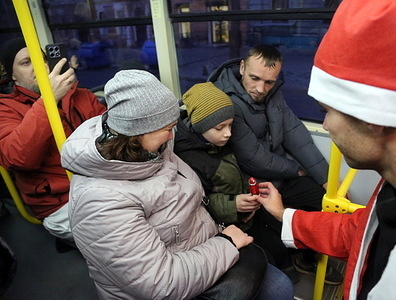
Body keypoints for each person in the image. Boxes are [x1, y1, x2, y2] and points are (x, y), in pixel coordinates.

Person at [256, 0, 396, 299]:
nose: (327, 126)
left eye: (328, 111)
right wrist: (285, 216)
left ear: (374, 118)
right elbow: (358, 232)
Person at [60, 70, 294, 300]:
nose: (172, 137)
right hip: (174, 280)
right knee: (278, 289)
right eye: (165, 129)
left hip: (203, 246)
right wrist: (226, 244)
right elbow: (160, 283)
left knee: (279, 283)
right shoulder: (100, 202)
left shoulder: (155, 150)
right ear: (136, 132)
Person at [208, 44, 342, 284]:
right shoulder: (226, 101)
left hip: (281, 177)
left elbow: (296, 135)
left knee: (322, 202)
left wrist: (326, 180)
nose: (261, 89)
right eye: (254, 78)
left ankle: (305, 257)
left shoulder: (273, 95)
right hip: (254, 184)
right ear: (241, 68)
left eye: (269, 82)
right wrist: (296, 170)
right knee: (275, 244)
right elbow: (253, 158)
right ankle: (289, 261)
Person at [174, 82, 306, 279]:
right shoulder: (189, 158)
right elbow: (201, 203)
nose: (228, 133)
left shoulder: (219, 141)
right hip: (225, 225)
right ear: (201, 126)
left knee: (279, 246)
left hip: (247, 213)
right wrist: (233, 205)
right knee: (270, 265)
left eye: (230, 125)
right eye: (220, 127)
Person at [0, 37, 106, 243]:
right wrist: (48, 100)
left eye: (41, 59)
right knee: (121, 233)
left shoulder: (82, 95)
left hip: (100, 183)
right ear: (12, 75)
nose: (38, 66)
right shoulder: (6, 109)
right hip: (59, 200)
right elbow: (17, 157)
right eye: (26, 62)